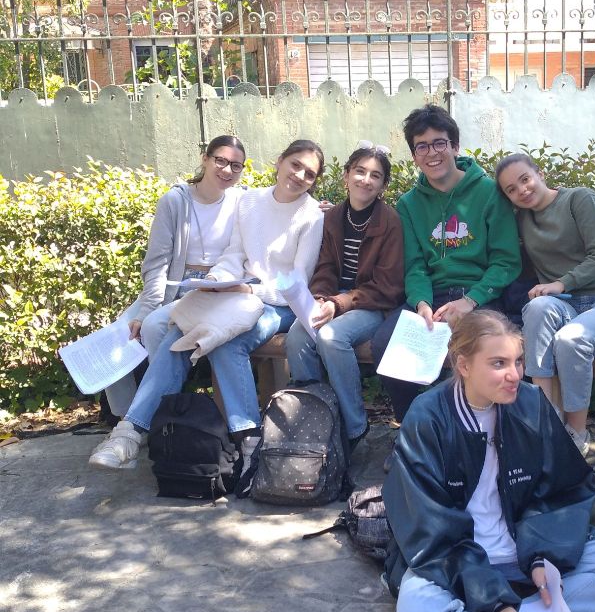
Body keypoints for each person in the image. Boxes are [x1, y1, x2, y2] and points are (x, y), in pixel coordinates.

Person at [383, 310, 595, 612]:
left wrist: (544, 556)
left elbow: (562, 491)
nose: (514, 374)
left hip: (523, 549)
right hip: (455, 560)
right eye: (499, 363)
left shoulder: (530, 402)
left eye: (518, 361)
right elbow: (430, 530)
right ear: (464, 365)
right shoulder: (428, 417)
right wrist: (497, 605)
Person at [89, 139, 327, 470]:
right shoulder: (250, 201)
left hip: (278, 304)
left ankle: (248, 442)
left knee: (226, 344)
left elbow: (296, 281)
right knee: (180, 337)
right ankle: (128, 433)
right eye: (295, 165)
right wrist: (217, 280)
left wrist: (250, 290)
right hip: (236, 297)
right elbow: (235, 254)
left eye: (309, 174)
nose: (300, 175)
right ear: (279, 161)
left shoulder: (311, 215)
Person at [371, 105, 522, 422]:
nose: (431, 153)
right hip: (433, 299)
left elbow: (506, 262)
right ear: (414, 156)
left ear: (454, 146)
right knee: (386, 342)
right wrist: (422, 304)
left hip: (479, 297)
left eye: (439, 143)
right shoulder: (409, 204)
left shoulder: (489, 193)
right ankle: (412, 427)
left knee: (481, 348)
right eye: (421, 146)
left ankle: (481, 427)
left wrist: (469, 301)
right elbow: (414, 266)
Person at [102, 135, 246, 419]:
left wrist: (318, 209)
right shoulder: (174, 201)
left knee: (155, 327)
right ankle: (128, 418)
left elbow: (279, 203)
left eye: (236, 166)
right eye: (220, 160)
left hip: (215, 292)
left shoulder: (242, 201)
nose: (227, 170)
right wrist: (146, 309)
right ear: (204, 158)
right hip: (173, 287)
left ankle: (165, 416)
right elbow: (156, 263)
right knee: (115, 339)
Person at [495, 153, 595, 457]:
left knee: (570, 339)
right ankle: (545, 422)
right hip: (564, 305)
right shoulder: (522, 218)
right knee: (536, 308)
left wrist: (560, 283)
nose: (522, 190)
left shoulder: (580, 200)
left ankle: (577, 434)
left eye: (525, 179)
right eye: (511, 189)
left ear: (540, 173)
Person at [284, 142, 404, 451]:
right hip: (333, 300)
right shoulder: (332, 217)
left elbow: (387, 285)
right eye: (360, 172)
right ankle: (316, 419)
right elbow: (323, 267)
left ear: (383, 186)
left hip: (372, 304)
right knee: (298, 335)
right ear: (346, 176)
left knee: (331, 338)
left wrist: (339, 304)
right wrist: (322, 299)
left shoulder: (389, 222)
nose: (366, 180)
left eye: (375, 176)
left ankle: (354, 429)